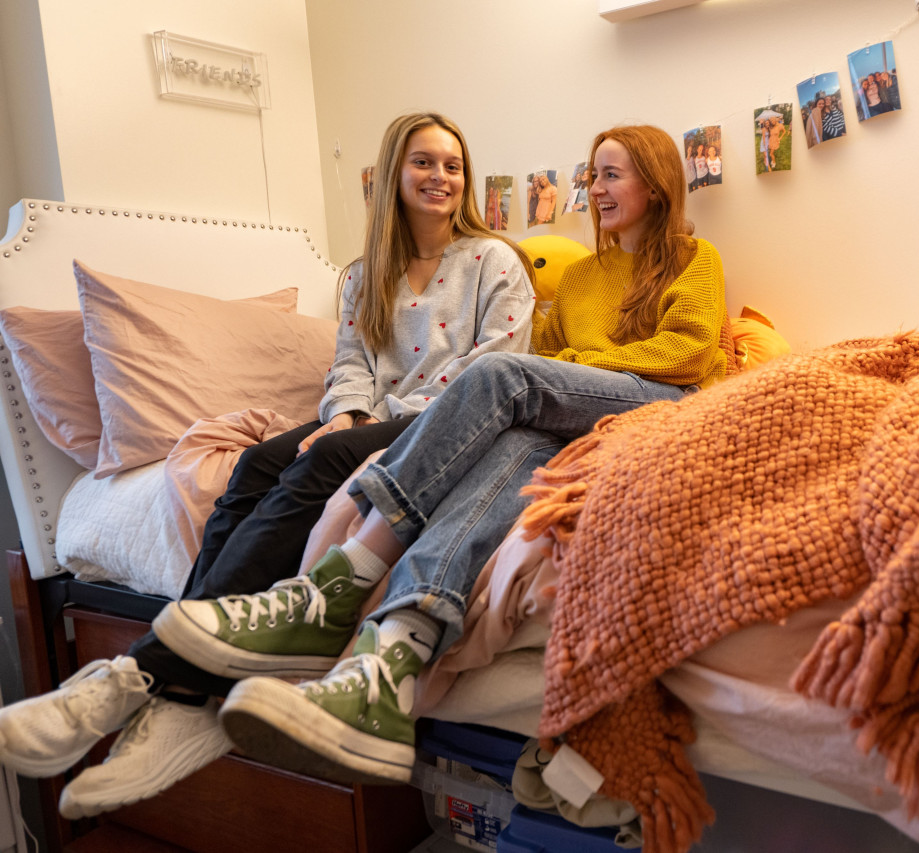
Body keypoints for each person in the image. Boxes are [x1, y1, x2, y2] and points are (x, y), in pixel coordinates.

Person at [158, 124, 730, 785]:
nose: (595, 189)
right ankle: (388, 659)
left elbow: (683, 353)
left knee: (495, 379)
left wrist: (573, 366)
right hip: (579, 405)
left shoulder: (696, 257)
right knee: (514, 439)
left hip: (664, 398)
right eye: (591, 175)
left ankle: (341, 575)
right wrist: (559, 372)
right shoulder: (576, 279)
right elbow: (546, 361)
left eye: (611, 175)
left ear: (656, 187)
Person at [0, 112, 536, 816]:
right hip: (368, 417)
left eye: (452, 165)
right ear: (395, 175)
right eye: (424, 163)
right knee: (255, 461)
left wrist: (369, 427)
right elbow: (348, 362)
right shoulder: (362, 274)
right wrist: (345, 414)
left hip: (444, 422)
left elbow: (494, 367)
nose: (440, 177)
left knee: (328, 461)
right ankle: (182, 682)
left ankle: (148, 670)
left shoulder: (492, 260)